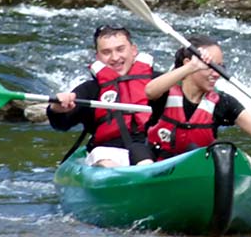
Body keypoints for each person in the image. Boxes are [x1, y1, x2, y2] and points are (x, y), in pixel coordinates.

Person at [144, 35, 251, 159]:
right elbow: (150, 91)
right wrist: (193, 66)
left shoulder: (223, 103)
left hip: (195, 170)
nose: (217, 73)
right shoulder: (166, 90)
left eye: (220, 67)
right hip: (159, 166)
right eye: (210, 66)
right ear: (188, 64)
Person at [48, 25, 164, 167]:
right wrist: (57, 108)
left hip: (153, 151)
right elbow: (61, 124)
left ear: (133, 50)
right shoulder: (91, 89)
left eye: (120, 49)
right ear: (97, 57)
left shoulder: (158, 82)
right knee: (103, 157)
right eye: (106, 52)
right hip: (110, 155)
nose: (115, 57)